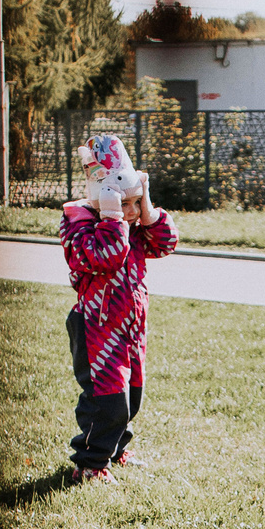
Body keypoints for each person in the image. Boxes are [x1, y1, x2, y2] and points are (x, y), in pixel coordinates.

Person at [60, 134, 178, 482]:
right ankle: (90, 464)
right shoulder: (79, 223)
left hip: (130, 326)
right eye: (121, 203)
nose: (129, 212)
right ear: (102, 197)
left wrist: (148, 210)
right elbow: (104, 258)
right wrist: (111, 218)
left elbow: (166, 243)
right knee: (106, 399)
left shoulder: (135, 227)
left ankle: (115, 449)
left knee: (131, 397)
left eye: (134, 202)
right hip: (96, 327)